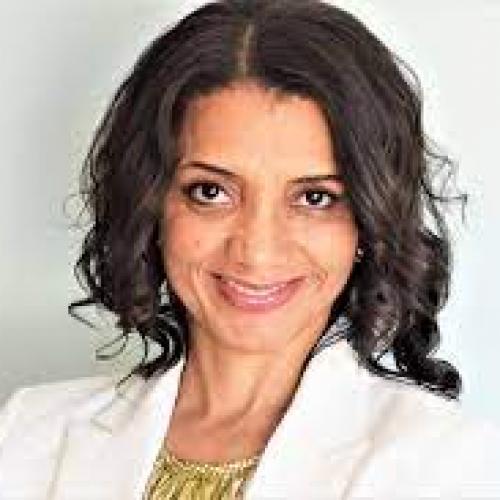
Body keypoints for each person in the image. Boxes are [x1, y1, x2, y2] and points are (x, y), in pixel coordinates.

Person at [1, 0, 499, 498]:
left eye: (314, 198)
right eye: (211, 192)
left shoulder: (448, 465)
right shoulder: (27, 435)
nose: (256, 252)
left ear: (369, 225)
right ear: (150, 205)